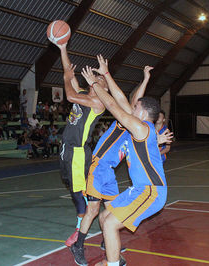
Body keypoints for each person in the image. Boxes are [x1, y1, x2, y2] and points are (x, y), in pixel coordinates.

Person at [69, 66, 162, 265]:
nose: (131, 108)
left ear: (142, 113)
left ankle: (110, 258)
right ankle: (105, 253)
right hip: (114, 175)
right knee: (101, 215)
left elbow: (115, 103)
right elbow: (119, 101)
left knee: (109, 222)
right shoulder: (135, 125)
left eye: (136, 108)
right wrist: (108, 75)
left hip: (142, 188)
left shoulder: (137, 126)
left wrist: (96, 82)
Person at [57, 42, 107, 247]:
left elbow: (69, 94)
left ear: (103, 88)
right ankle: (102, 224)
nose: (97, 78)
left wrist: (65, 78)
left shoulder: (98, 103)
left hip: (77, 153)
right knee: (77, 191)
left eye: (101, 79)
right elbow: (70, 73)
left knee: (77, 193)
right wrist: (62, 48)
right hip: (67, 150)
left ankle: (80, 230)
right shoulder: (86, 95)